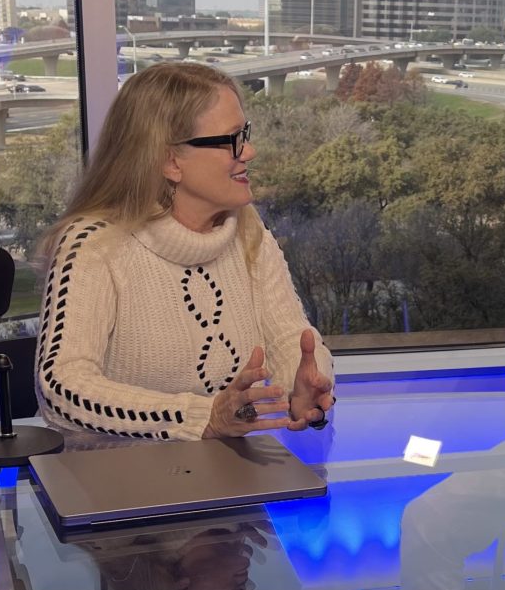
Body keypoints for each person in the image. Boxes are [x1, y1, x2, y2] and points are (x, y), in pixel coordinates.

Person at [34, 62, 334, 441]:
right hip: (117, 489)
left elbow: (290, 339)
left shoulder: (247, 228)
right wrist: (201, 417)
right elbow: (62, 388)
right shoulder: (91, 244)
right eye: (231, 141)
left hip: (230, 477)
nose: (250, 151)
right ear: (170, 161)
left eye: (245, 134)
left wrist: (304, 385)